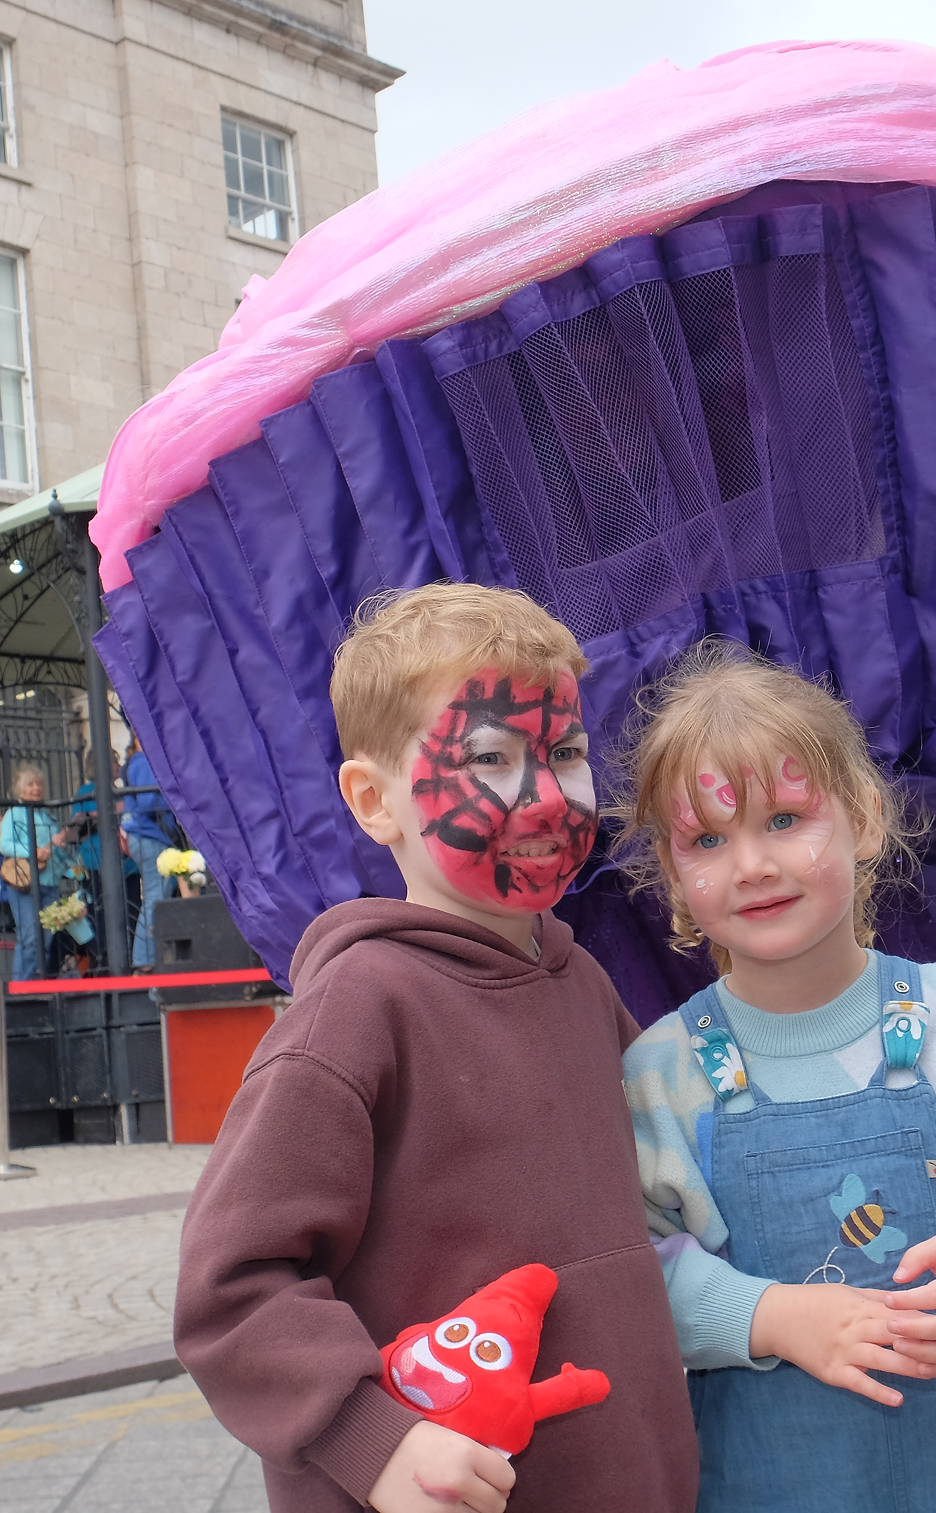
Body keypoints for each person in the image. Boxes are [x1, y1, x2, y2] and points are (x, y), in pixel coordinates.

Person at [173, 585, 696, 1513]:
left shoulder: (586, 989)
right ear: (374, 800)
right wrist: (375, 1441)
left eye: (565, 752)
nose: (543, 794)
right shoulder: (356, 1008)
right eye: (489, 757)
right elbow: (233, 1285)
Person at [616, 645, 936, 1511]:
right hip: (767, 1484)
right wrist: (766, 1316)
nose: (751, 863)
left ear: (863, 819)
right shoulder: (660, 1075)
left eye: (785, 818)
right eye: (708, 837)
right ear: (673, 876)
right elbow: (628, 1265)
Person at [0, 763, 69, 981]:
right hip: (25, 884)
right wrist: (34, 851)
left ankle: (37, 984)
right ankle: (22, 988)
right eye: (30, 784)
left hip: (50, 884)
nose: (36, 788)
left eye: (39, 784)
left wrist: (65, 854)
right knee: (30, 938)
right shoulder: (14, 814)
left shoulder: (48, 818)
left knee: (46, 939)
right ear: (20, 790)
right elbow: (5, 845)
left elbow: (54, 855)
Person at [120, 731, 176, 968]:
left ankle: (147, 959)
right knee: (155, 896)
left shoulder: (136, 762)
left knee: (157, 894)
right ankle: (146, 961)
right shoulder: (142, 761)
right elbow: (148, 801)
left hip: (146, 835)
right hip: (149, 834)